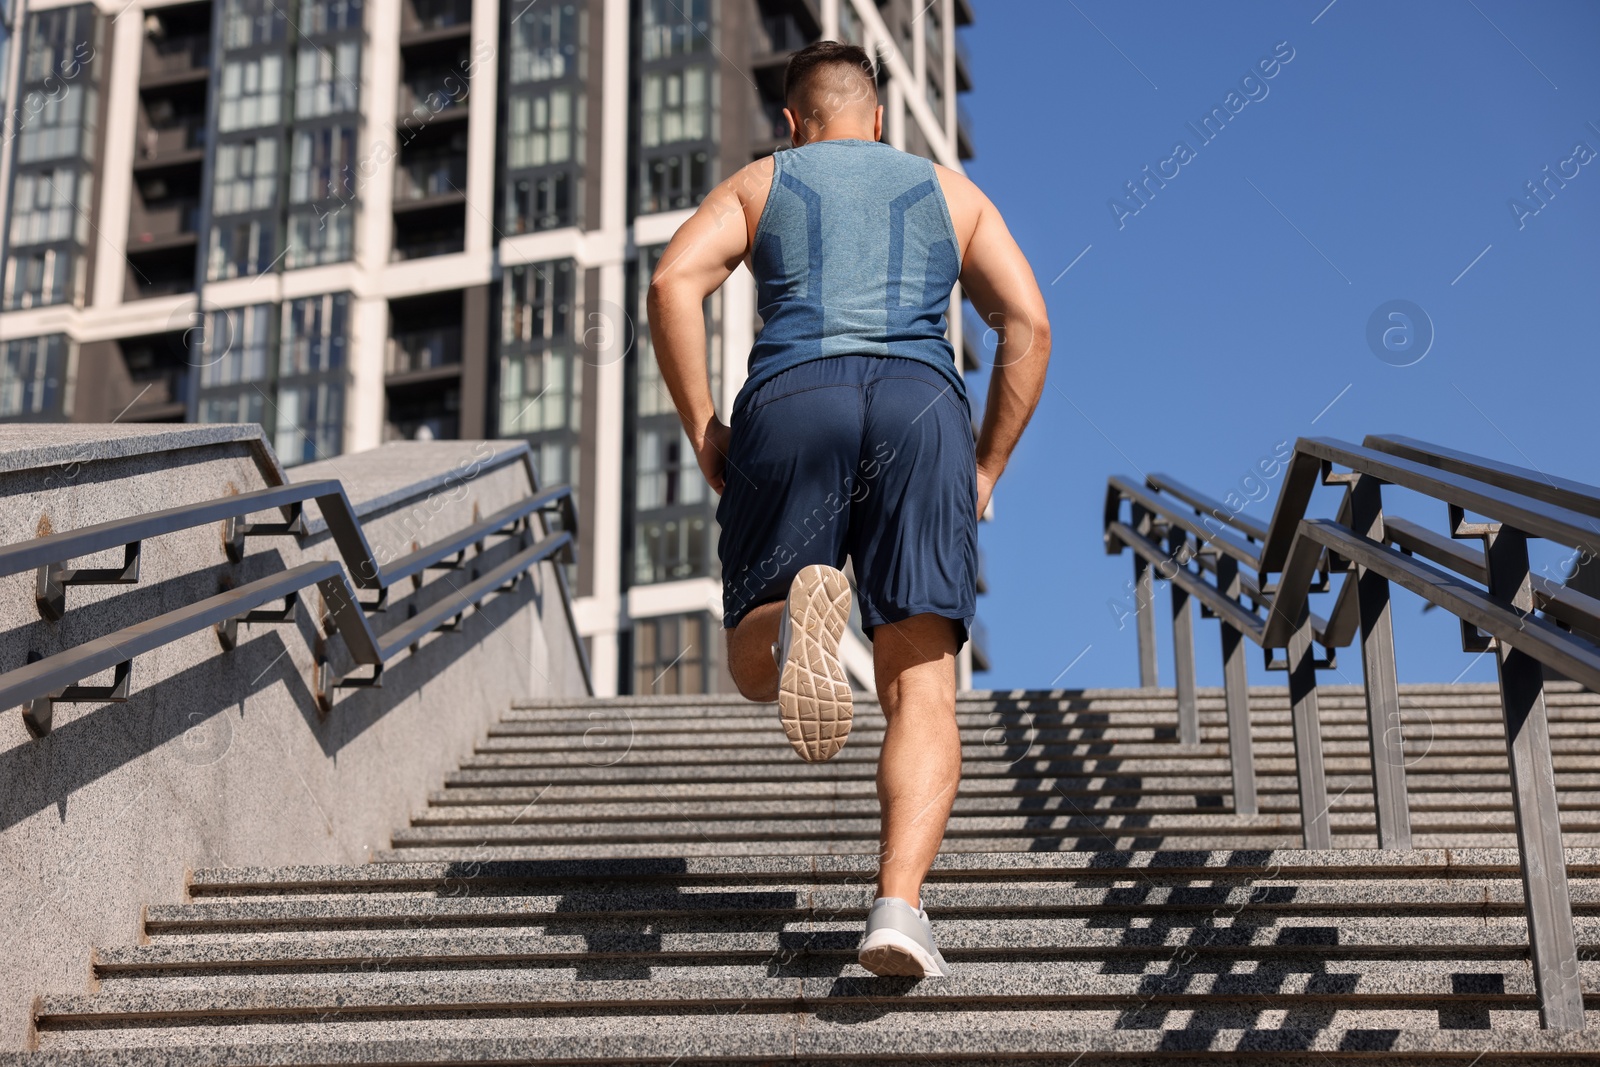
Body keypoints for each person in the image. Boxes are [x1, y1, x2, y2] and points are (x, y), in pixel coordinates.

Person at [646, 40, 1049, 978]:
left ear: (793, 122)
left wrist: (705, 421)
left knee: (752, 658)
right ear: (877, 118)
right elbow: (1026, 323)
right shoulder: (951, 192)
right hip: (922, 407)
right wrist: (985, 465)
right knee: (921, 681)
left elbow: (672, 283)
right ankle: (899, 908)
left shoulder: (763, 180)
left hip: (793, 395)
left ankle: (789, 624)